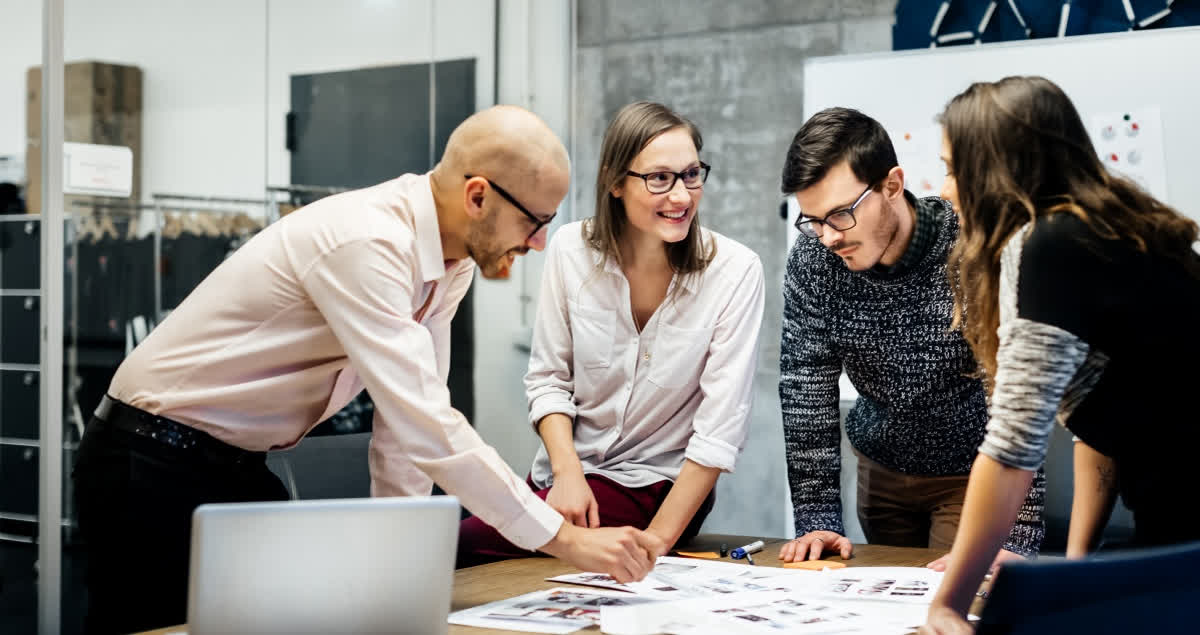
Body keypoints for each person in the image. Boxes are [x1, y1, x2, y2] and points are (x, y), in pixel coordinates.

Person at [71, 106, 666, 635]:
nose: (539, 244)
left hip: (233, 466)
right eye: (535, 221)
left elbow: (406, 432)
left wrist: (397, 567)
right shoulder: (368, 242)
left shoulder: (449, 264)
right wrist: (564, 539)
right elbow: (429, 422)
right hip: (148, 459)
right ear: (478, 196)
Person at [922, 76, 1200, 634]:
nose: (946, 188)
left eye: (954, 169)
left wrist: (946, 606)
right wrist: (1075, 571)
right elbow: (1105, 419)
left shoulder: (1053, 244)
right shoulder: (1108, 227)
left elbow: (1010, 451)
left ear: (993, 169)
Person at [457, 101, 765, 566]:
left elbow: (718, 431)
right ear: (616, 182)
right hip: (565, 478)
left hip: (658, 488)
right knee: (455, 531)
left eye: (692, 174)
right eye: (660, 178)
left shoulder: (735, 271)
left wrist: (657, 544)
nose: (681, 196)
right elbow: (548, 380)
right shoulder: (570, 251)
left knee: (455, 545)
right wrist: (567, 475)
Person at [776, 108, 1044, 568]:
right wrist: (817, 516)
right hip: (881, 473)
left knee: (954, 605)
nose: (827, 238)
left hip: (973, 475)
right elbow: (806, 385)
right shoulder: (815, 261)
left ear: (892, 186)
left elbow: (1016, 391)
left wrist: (1017, 535)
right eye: (813, 220)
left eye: (841, 214)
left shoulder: (970, 248)